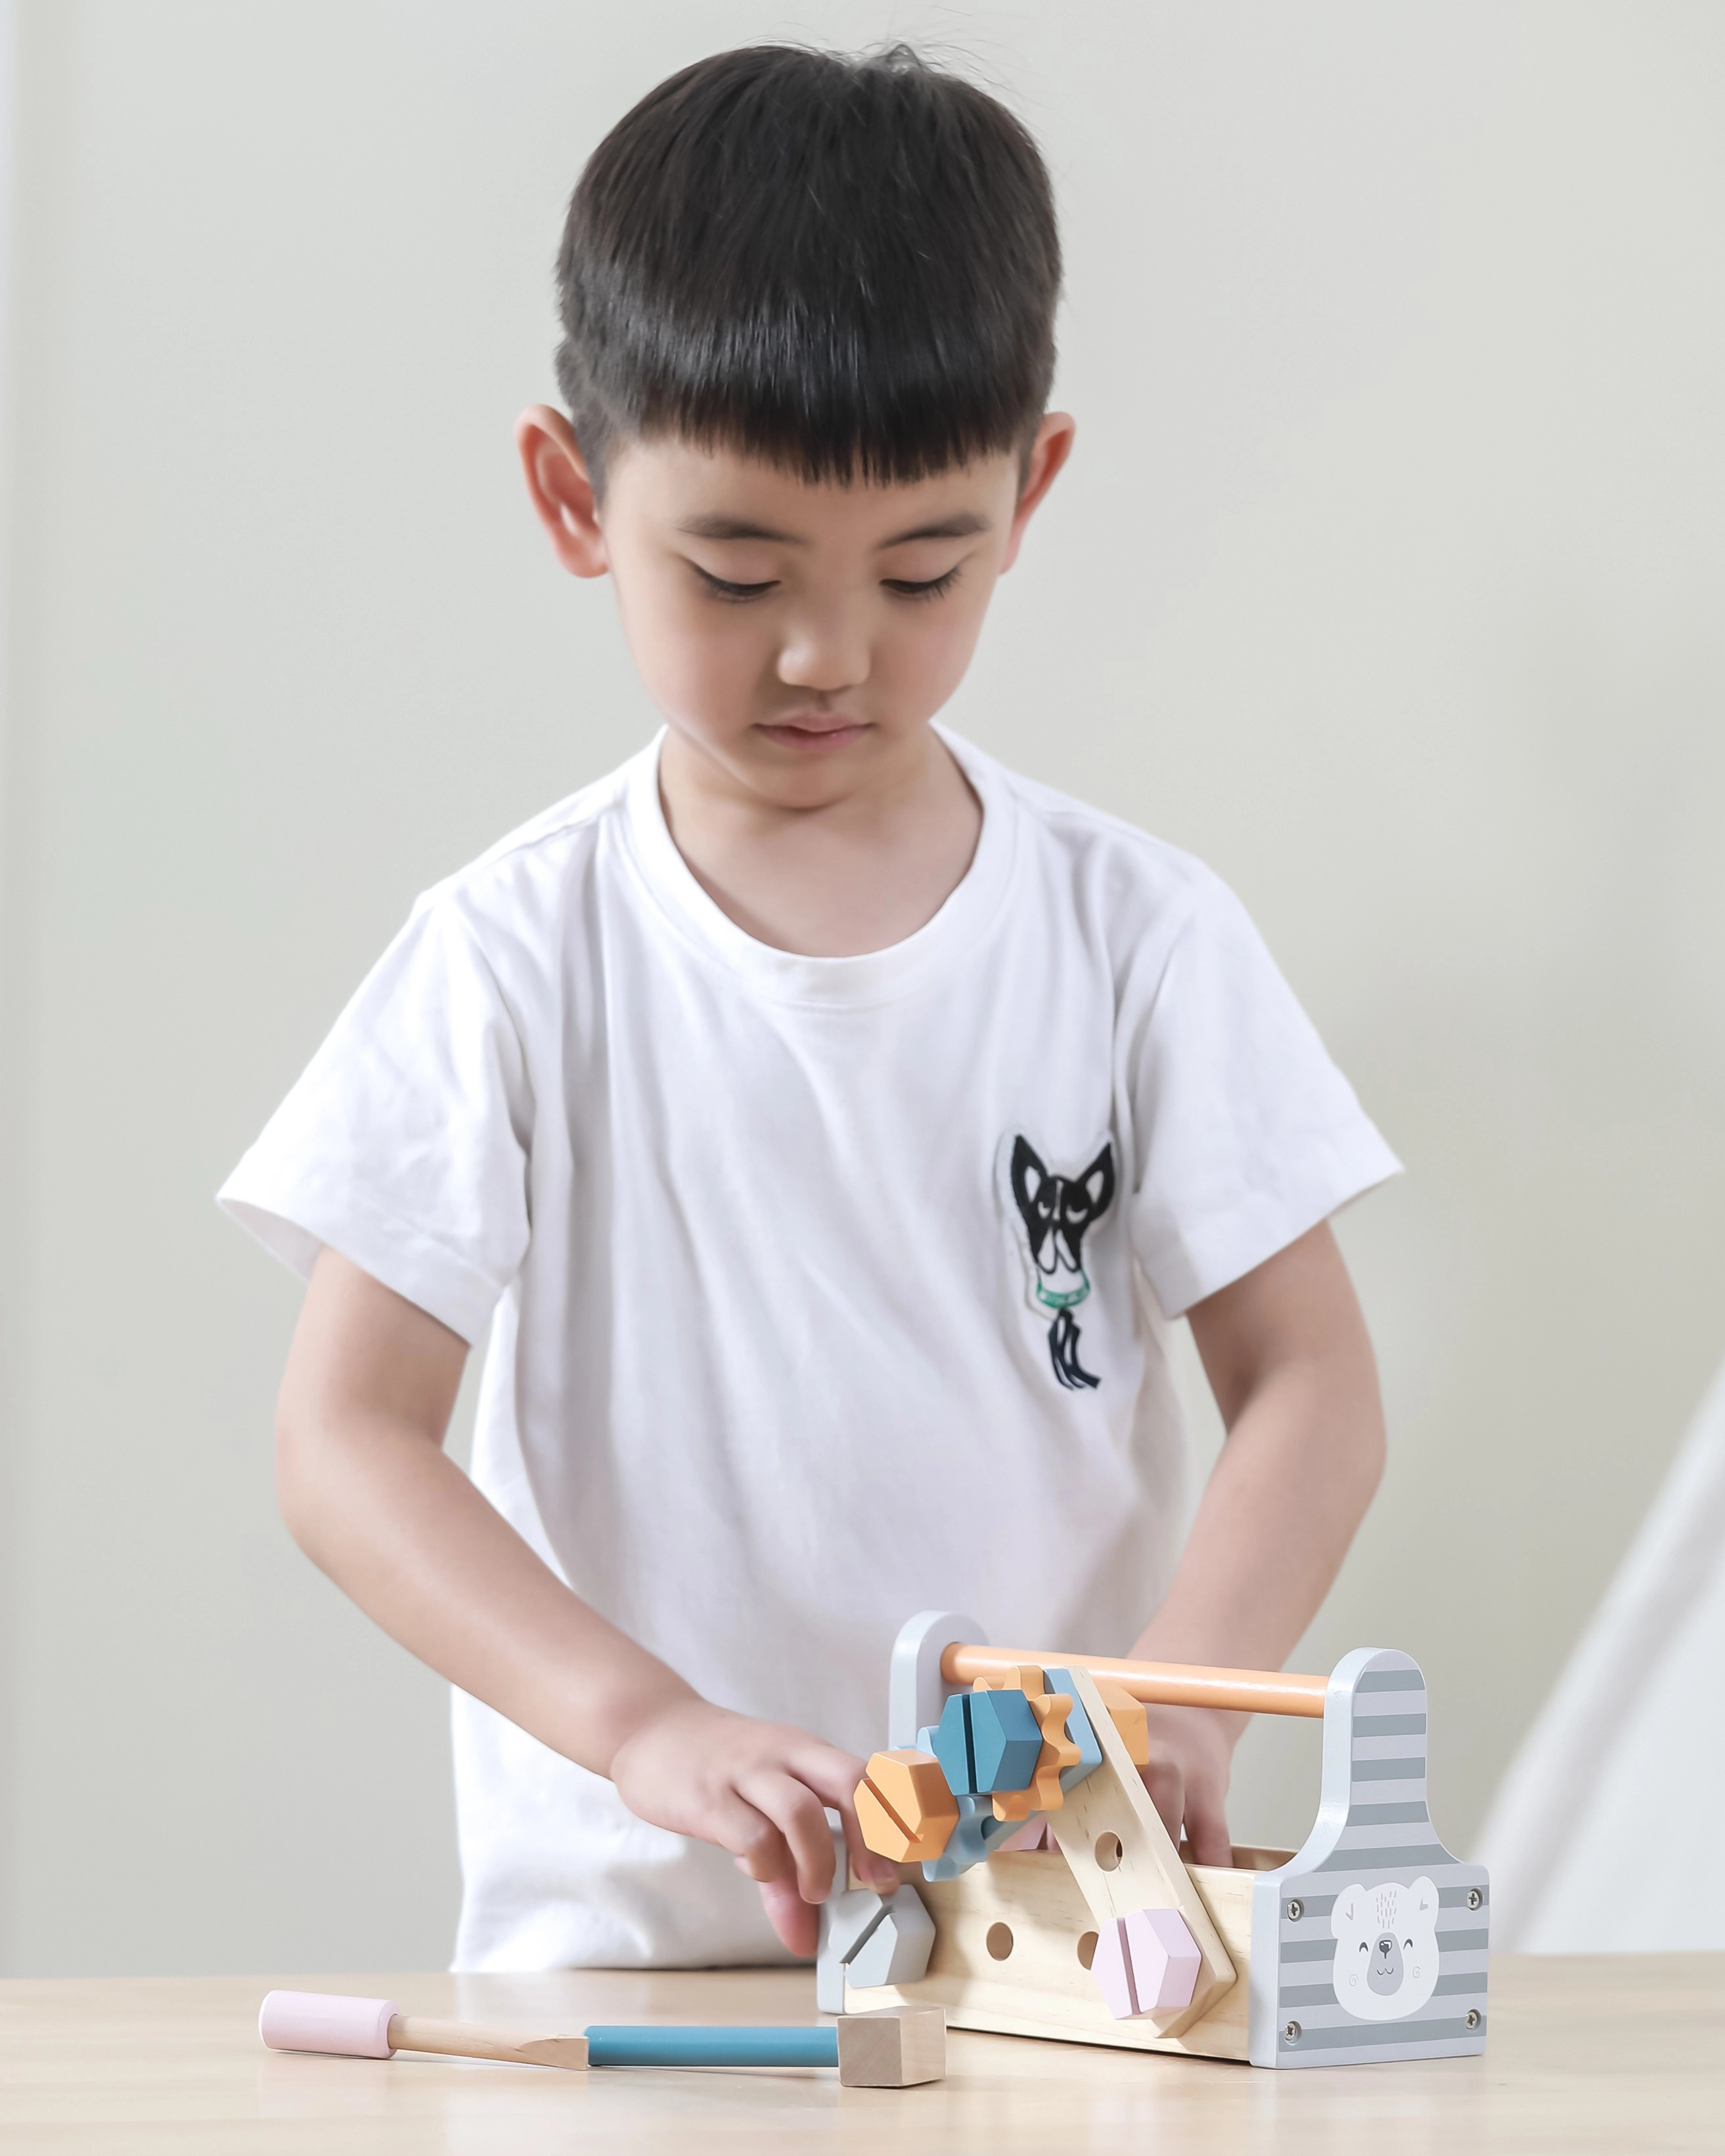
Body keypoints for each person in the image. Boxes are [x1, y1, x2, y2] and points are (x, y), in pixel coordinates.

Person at [219, 43, 1398, 1973]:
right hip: (632, 1958)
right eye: (735, 571)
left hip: (1051, 1955)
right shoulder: (512, 955)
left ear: (1029, 494)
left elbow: (1314, 1385)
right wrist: (642, 1728)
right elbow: (345, 1441)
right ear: (573, 495)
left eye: (923, 572)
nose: (828, 652)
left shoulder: (1139, 938)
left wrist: (1179, 1705)